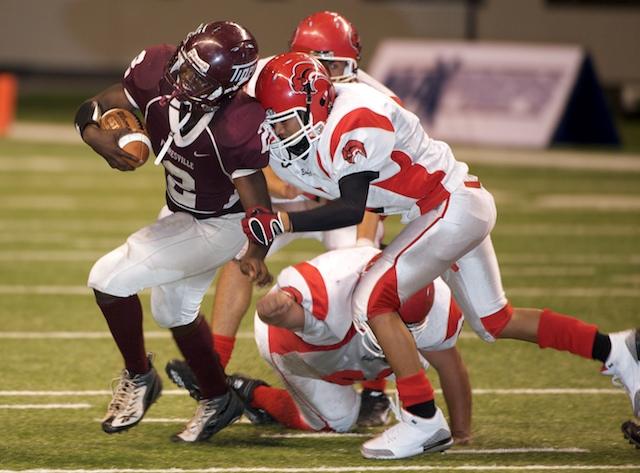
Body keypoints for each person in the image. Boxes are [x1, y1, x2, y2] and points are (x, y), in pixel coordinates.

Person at [239, 51, 640, 459]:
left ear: (317, 102)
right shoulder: (311, 124)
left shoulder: (355, 116)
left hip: (449, 205)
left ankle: (422, 420)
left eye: (285, 120)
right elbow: (269, 172)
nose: (280, 131)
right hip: (448, 204)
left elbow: (351, 207)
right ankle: (616, 350)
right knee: (495, 320)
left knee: (371, 299)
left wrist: (283, 222)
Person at [166, 11, 404, 428]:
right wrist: (272, 181)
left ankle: (375, 392)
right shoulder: (261, 81)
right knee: (243, 249)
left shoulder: (374, 102)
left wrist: (364, 250)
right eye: (320, 63)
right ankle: (214, 377)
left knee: (362, 271)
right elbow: (229, 147)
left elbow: (375, 192)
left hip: (347, 202)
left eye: (336, 67)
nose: (326, 76)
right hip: (293, 199)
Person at [75, 21, 274, 443]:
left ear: (227, 86)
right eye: (184, 67)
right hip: (179, 210)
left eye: (198, 78)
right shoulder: (157, 69)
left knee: (109, 278)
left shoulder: (237, 125)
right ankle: (219, 399)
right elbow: (93, 107)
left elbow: (258, 203)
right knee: (174, 312)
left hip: (219, 225)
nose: (182, 79)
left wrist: (256, 252)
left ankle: (139, 376)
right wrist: (98, 138)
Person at [168, 246, 472, 444]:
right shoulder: (331, 287)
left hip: (354, 341)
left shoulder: (437, 306)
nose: (394, 329)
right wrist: (279, 307)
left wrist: (461, 433)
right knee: (336, 422)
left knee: (421, 358)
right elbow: (278, 312)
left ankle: (374, 394)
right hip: (300, 348)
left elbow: (452, 368)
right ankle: (245, 390)